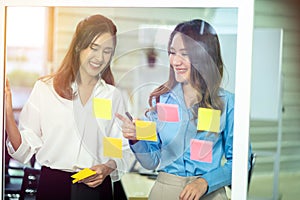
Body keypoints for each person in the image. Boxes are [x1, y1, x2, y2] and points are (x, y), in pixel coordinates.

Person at [116, 19, 252, 200]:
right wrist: (135, 139)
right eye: (172, 52)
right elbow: (152, 161)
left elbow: (241, 161)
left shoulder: (228, 104)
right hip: (165, 192)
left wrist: (205, 182)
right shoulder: (162, 100)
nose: (175, 61)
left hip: (210, 193)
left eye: (184, 54)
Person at [5, 14, 132, 200]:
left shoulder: (112, 96)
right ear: (79, 46)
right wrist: (7, 113)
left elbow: (119, 147)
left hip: (97, 189)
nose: (99, 57)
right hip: (54, 187)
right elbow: (24, 148)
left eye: (107, 51)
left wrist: (107, 167)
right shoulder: (46, 89)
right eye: (94, 48)